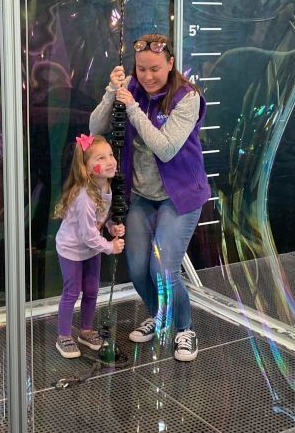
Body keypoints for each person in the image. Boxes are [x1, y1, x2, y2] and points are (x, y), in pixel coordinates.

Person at [89, 33, 211, 362]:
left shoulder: (188, 97)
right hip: (142, 194)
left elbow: (166, 148)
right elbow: (95, 126)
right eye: (141, 69)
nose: (147, 76)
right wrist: (111, 93)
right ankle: (159, 316)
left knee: (164, 268)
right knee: (138, 266)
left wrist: (131, 107)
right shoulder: (131, 86)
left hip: (181, 195)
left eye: (155, 68)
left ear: (170, 64)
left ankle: (185, 329)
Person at [54, 133, 125, 358]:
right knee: (72, 291)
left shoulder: (105, 188)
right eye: (100, 158)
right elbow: (87, 235)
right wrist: (110, 247)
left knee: (92, 290)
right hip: (72, 250)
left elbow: (101, 218)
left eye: (110, 155)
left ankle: (85, 331)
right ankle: (64, 336)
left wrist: (112, 226)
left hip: (92, 248)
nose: (110, 161)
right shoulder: (84, 196)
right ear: (86, 167)